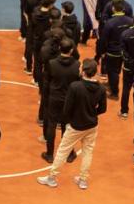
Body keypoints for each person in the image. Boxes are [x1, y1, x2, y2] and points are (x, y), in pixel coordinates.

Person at [38, 58, 107, 189]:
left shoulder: (75, 87)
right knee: (88, 152)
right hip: (92, 126)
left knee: (63, 150)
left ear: (83, 71)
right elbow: (102, 109)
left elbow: (67, 109)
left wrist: (70, 121)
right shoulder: (101, 89)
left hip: (76, 126)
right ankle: (83, 180)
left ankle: (52, 178)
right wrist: (91, 114)